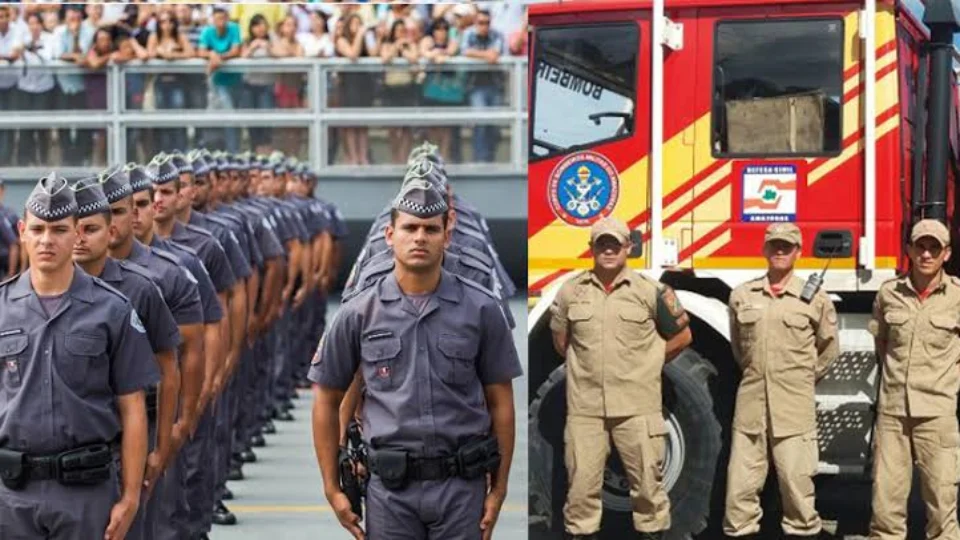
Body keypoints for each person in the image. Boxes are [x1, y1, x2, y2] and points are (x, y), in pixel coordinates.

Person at [311, 179, 523, 540]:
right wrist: (332, 486)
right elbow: (327, 400)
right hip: (390, 494)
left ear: (447, 235)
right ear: (390, 235)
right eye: (410, 228)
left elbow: (501, 403)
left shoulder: (482, 309)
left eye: (430, 229)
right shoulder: (358, 313)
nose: (420, 237)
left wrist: (498, 489)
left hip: (461, 490)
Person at [0, 172, 158, 539]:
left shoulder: (112, 309)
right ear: (22, 230)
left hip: (85, 493)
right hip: (11, 496)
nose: (46, 241)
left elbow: (133, 407)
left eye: (58, 230)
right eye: (38, 230)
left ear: (76, 234)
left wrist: (131, 496)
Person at [549, 216, 691, 540]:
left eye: (615, 243)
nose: (609, 249)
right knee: (581, 493)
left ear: (629, 247)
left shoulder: (651, 291)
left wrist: (649, 364)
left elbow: (682, 336)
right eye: (602, 243)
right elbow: (562, 342)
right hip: (586, 410)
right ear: (591, 249)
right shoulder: (571, 291)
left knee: (649, 493)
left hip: (637, 408)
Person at [71, 177, 182, 540]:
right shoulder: (23, 300)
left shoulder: (139, 288)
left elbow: (169, 364)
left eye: (90, 228)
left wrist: (162, 442)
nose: (78, 238)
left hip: (130, 431)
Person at [724, 222, 839, 539]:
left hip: (793, 409)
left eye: (786, 246)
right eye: (774, 245)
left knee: (797, 489)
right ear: (764, 249)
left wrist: (801, 378)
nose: (779, 251)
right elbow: (739, 348)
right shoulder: (742, 296)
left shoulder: (815, 299)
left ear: (798, 253)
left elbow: (828, 348)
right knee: (739, 492)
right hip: (751, 409)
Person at [868, 219, 960, 540]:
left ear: (946, 254)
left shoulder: (958, 298)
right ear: (908, 250)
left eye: (934, 247)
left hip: (937, 415)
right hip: (893, 415)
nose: (926, 254)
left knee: (942, 508)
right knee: (885, 510)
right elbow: (882, 344)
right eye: (920, 246)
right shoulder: (888, 294)